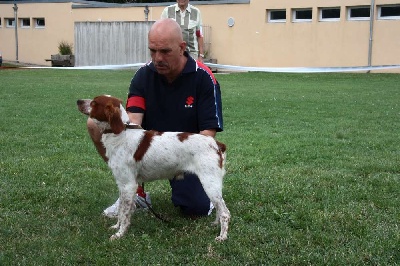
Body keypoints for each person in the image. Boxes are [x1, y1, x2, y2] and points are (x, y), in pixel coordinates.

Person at [87, 18, 223, 218]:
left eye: (165, 51)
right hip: (150, 149)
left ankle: (204, 196)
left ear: (181, 47)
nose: (157, 58)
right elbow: (132, 124)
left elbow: (207, 135)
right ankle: (135, 191)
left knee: (196, 209)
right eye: (152, 50)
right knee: (93, 124)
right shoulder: (142, 75)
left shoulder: (203, 78)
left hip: (185, 153)